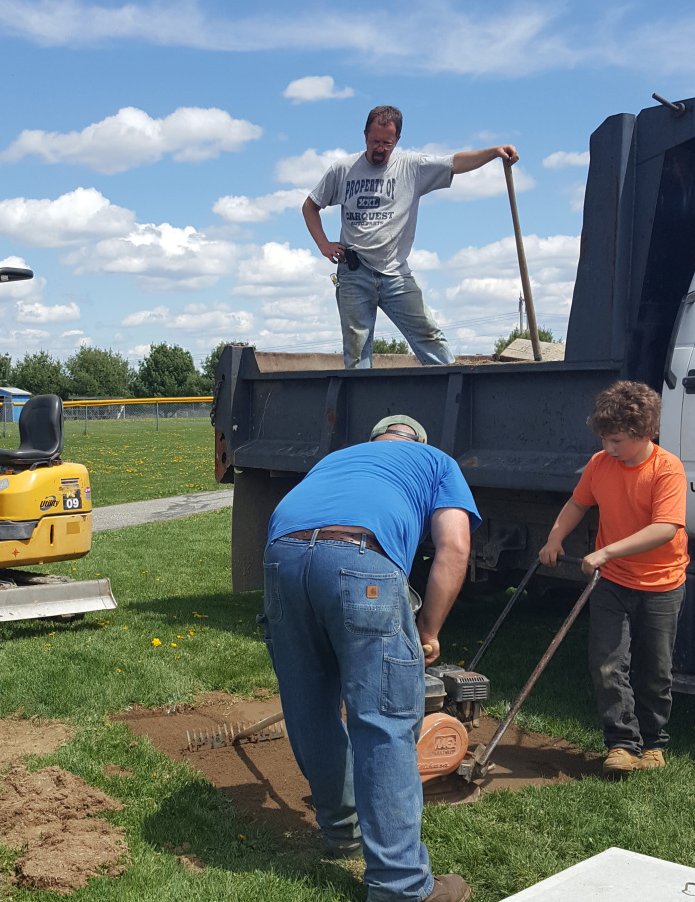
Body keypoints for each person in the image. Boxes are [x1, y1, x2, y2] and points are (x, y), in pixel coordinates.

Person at [262, 414, 480, 902]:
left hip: (282, 558)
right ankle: (401, 886)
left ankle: (343, 831)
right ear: (417, 442)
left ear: (376, 439)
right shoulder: (436, 461)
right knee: (383, 721)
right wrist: (429, 629)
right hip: (360, 559)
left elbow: (298, 521)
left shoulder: (337, 459)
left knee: (310, 706)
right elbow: (455, 547)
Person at [539, 380, 688, 777]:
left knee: (654, 671)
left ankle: (653, 744)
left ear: (646, 433)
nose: (609, 449)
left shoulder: (666, 468)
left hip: (661, 584)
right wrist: (555, 537)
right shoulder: (599, 464)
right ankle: (622, 744)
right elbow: (577, 502)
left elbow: (666, 528)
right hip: (613, 583)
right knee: (607, 663)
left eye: (618, 441)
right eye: (605, 439)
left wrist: (606, 550)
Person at [303, 105, 519, 369]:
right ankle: (360, 404)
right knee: (357, 351)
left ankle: (455, 391)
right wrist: (323, 244)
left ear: (397, 141)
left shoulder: (411, 167)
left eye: (387, 143)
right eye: (374, 142)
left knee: (429, 335)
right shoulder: (343, 170)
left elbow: (455, 162)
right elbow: (310, 205)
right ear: (364, 136)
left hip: (395, 273)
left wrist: (493, 153)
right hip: (354, 272)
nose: (380, 148)